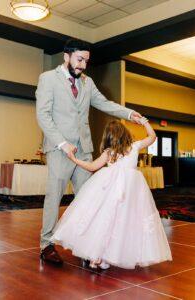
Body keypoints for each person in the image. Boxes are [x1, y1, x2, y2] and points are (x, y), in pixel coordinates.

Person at [36, 38, 142, 264]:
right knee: (53, 197)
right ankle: (46, 245)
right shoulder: (48, 79)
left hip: (84, 150)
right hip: (59, 149)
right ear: (66, 56)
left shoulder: (88, 82)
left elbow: (104, 103)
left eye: (86, 61)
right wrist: (62, 143)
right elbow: (43, 115)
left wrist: (128, 113)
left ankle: (87, 246)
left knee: (89, 198)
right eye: (79, 59)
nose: (83, 65)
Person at [51, 118, 172, 270]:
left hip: (110, 190)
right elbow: (152, 137)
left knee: (105, 220)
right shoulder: (134, 147)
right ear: (124, 133)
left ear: (108, 136)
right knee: (124, 222)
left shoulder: (109, 152)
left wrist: (75, 160)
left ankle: (98, 256)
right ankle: (106, 256)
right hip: (130, 191)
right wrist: (144, 122)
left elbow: (92, 167)